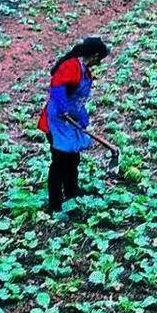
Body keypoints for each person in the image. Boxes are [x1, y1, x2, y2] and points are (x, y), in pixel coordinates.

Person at [38, 37, 109, 213]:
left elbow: (78, 100)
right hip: (56, 122)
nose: (99, 63)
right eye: (99, 59)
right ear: (94, 56)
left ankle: (72, 192)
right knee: (59, 162)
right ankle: (54, 204)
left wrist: (82, 118)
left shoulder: (84, 70)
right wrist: (63, 109)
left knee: (73, 159)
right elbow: (57, 87)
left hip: (71, 122)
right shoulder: (71, 66)